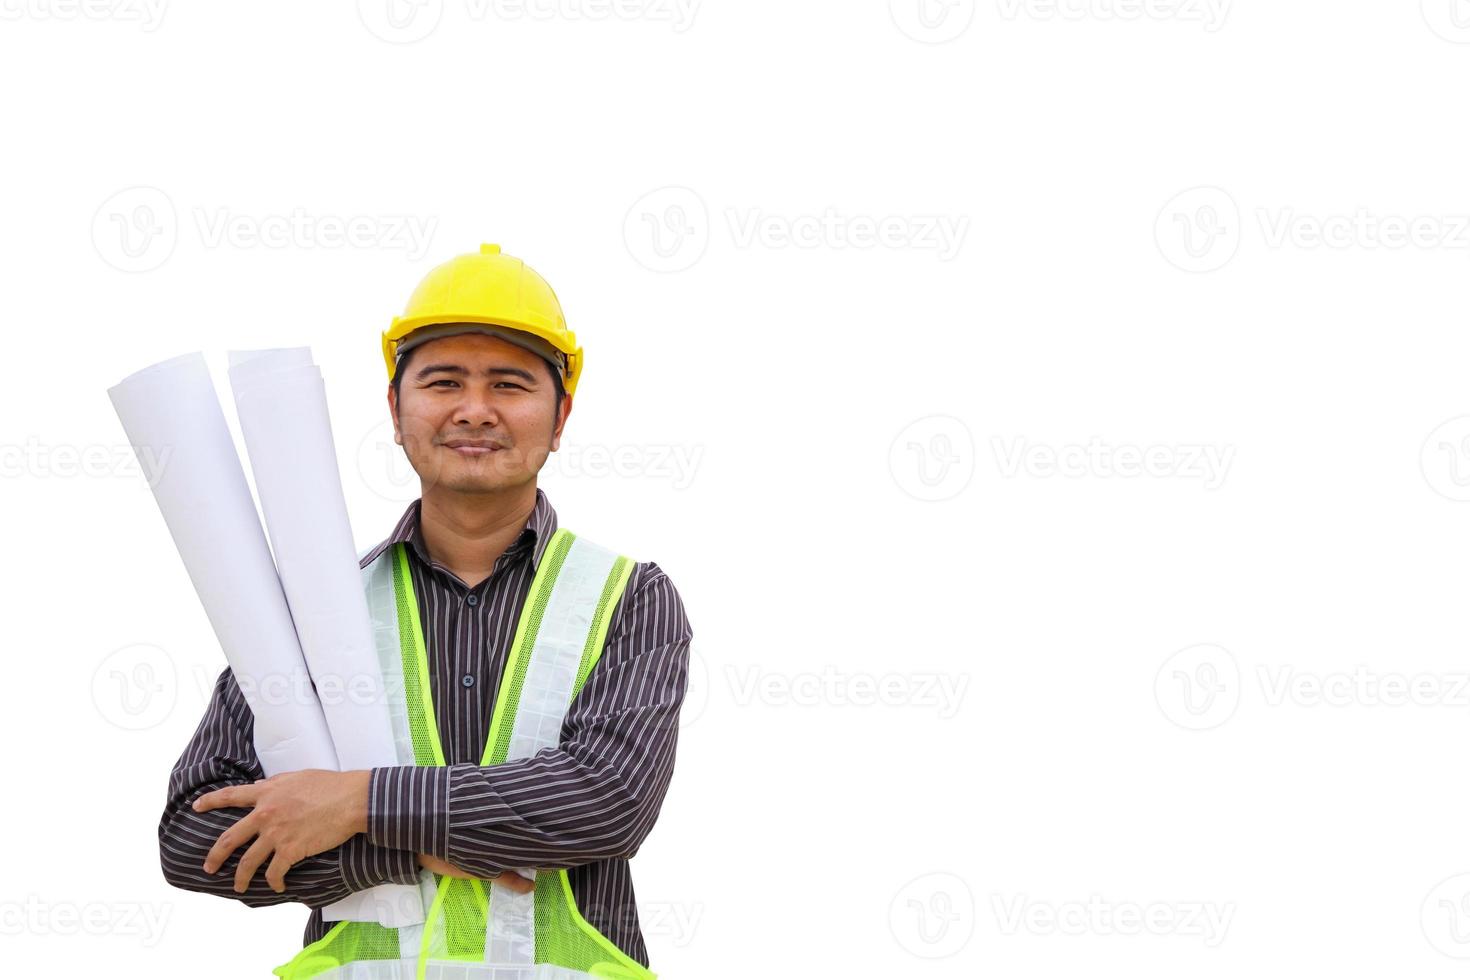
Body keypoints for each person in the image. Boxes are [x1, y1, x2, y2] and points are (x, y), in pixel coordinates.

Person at [157, 244, 692, 978]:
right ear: (396, 408)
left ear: (561, 415)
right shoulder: (309, 613)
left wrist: (357, 801)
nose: (475, 410)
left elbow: (606, 800)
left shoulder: (628, 598)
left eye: (509, 384)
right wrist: (401, 846)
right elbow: (191, 838)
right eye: (444, 382)